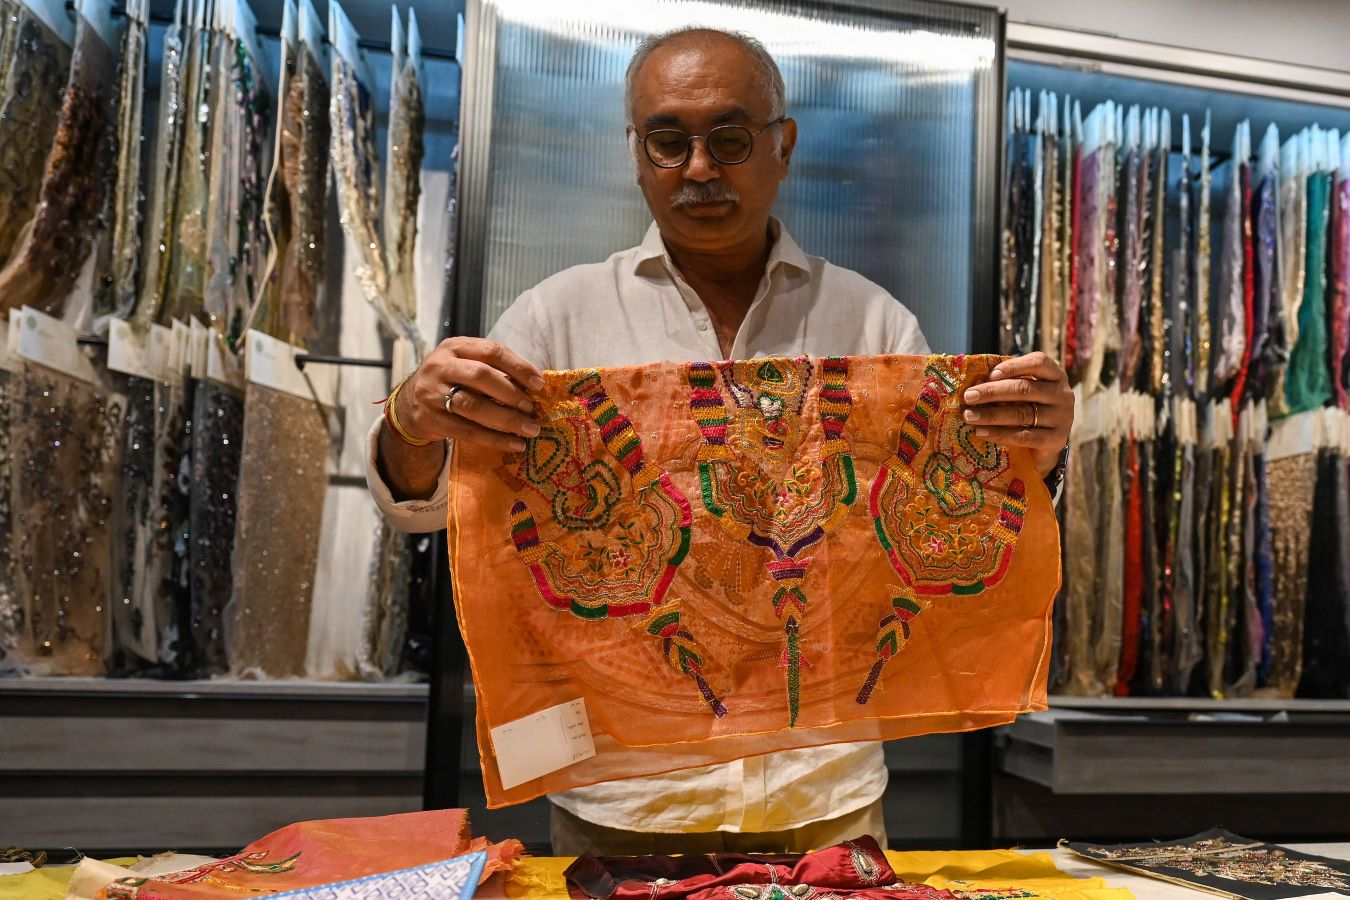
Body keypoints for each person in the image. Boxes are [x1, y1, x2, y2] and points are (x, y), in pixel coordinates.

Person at [366, 27, 1075, 856]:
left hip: (827, 798)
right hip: (625, 804)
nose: (699, 168)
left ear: (784, 146)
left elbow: (937, 529)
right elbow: (429, 509)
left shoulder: (873, 324)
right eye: (668, 140)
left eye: (730, 138)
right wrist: (412, 420)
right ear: (637, 153)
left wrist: (1033, 450)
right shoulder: (555, 320)